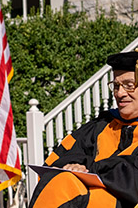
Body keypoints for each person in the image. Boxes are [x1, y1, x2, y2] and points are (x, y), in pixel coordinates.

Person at [29, 51, 138, 207]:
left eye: (129, 85)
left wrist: (87, 168)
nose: (119, 93)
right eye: (115, 86)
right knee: (59, 182)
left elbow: (130, 176)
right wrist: (75, 166)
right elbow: (59, 159)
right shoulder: (100, 126)